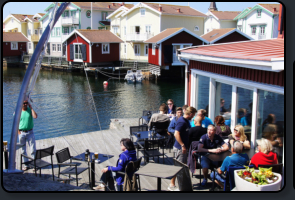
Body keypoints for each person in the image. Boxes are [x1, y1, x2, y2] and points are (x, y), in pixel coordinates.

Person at [168, 106, 197, 191]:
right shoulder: (181, 121)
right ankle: (171, 185)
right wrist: (183, 145)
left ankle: (182, 185)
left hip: (184, 147)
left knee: (182, 166)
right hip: (179, 148)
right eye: (193, 115)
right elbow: (176, 134)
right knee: (178, 166)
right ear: (190, 114)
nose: (194, 116)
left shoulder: (186, 121)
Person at [18, 99, 38, 171]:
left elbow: (35, 116)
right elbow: (15, 121)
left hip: (30, 132)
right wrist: (18, 131)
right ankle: (26, 165)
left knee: (33, 149)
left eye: (26, 103)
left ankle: (34, 165)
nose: (25, 104)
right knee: (23, 150)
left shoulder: (29, 110)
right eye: (23, 103)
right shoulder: (18, 111)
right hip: (21, 133)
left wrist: (31, 107)